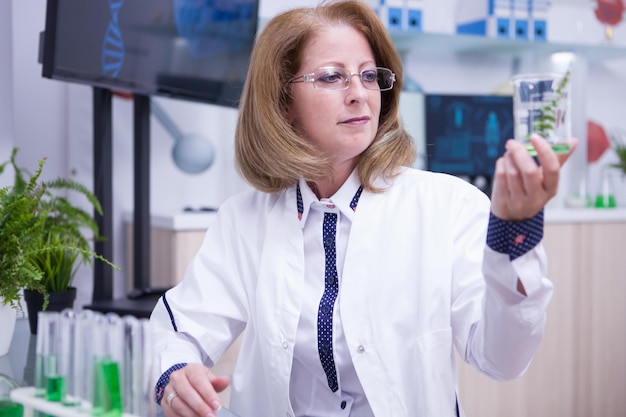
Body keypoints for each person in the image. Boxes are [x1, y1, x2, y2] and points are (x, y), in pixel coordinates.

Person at [149, 1, 578, 416]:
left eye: (369, 75)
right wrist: (176, 373)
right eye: (333, 77)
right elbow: (178, 330)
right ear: (284, 105)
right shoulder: (244, 220)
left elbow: (502, 358)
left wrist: (512, 236)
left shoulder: (448, 205)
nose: (359, 94)